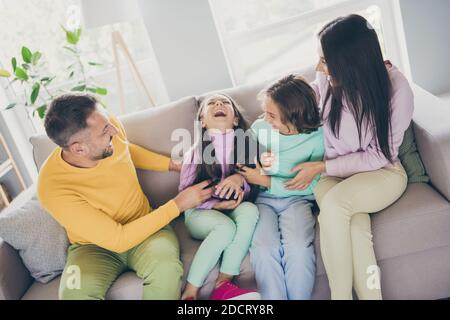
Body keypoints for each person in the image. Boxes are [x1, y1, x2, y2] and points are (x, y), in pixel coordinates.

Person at [285, 15, 413, 299]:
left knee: (334, 207)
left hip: (382, 173)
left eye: (325, 60)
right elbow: (311, 103)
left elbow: (380, 155)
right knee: (355, 229)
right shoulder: (327, 79)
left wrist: (322, 165)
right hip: (333, 177)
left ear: (350, 62)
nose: (318, 67)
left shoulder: (397, 88)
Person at [37, 93, 213, 300]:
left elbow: (124, 150)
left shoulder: (107, 127)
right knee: (73, 295)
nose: (113, 129)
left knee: (166, 269)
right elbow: (118, 239)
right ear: (78, 148)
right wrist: (178, 204)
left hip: (148, 229)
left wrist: (173, 165)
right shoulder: (53, 188)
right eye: (105, 131)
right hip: (92, 248)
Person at [239, 75, 324, 299]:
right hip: (262, 201)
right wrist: (255, 160)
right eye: (265, 112)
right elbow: (241, 163)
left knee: (297, 246)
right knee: (264, 247)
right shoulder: (260, 128)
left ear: (293, 116)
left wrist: (267, 181)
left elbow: (312, 184)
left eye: (272, 115)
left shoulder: (317, 137)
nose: (265, 119)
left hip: (298, 200)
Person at [178, 94, 261, 300]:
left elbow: (254, 184)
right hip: (199, 212)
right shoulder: (195, 153)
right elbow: (184, 197)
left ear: (235, 119)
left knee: (250, 210)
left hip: (232, 207)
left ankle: (223, 286)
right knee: (225, 228)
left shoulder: (246, 145)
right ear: (202, 122)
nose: (219, 104)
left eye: (225, 102)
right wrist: (217, 205)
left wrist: (240, 181)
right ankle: (190, 292)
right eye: (211, 103)